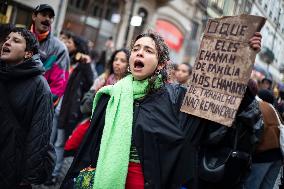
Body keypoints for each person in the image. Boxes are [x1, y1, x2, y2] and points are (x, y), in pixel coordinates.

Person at [61, 31, 262, 189]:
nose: (139, 52)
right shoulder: (110, 95)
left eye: (148, 50)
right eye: (136, 48)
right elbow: (90, 149)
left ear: (161, 64)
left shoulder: (176, 98)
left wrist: (241, 60)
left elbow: (223, 110)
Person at [0, 27, 54, 189]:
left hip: (13, 167)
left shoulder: (40, 86)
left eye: (16, 41)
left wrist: (28, 178)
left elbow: (40, 136)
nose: (8, 42)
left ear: (28, 53)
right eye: (7, 39)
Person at [64, 48, 130, 155]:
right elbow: (85, 107)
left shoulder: (127, 87)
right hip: (92, 125)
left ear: (129, 65)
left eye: (122, 61)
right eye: (116, 59)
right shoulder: (103, 80)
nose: (117, 63)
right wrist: (95, 90)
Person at [31, 4, 70, 105]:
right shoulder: (18, 39)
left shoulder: (59, 49)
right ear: (34, 16)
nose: (47, 19)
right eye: (44, 14)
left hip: (36, 105)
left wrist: (42, 105)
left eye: (51, 17)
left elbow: (58, 86)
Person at [244, 89, 282, 189]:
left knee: (252, 186)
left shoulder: (257, 107)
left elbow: (257, 134)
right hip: (277, 156)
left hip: (262, 156)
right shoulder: (274, 110)